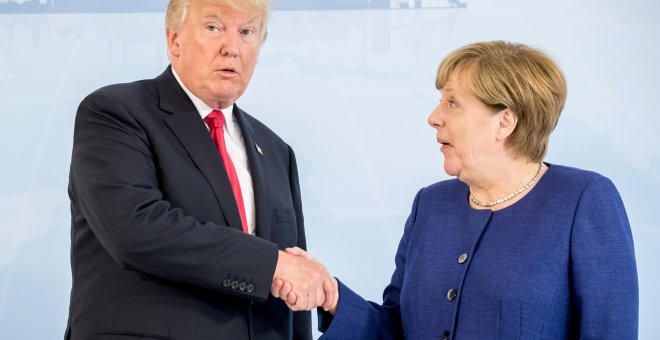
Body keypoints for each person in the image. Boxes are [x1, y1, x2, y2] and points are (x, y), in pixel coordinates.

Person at [274, 41, 639, 339]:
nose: (434, 117)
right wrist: (333, 296)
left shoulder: (584, 199)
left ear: (505, 122)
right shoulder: (430, 205)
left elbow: (610, 332)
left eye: (452, 102)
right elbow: (397, 329)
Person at [65, 0, 335, 339]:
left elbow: (292, 291)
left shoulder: (277, 152)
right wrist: (272, 264)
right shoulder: (116, 113)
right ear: (174, 39)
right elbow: (136, 229)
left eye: (247, 32)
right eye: (214, 28)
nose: (231, 48)